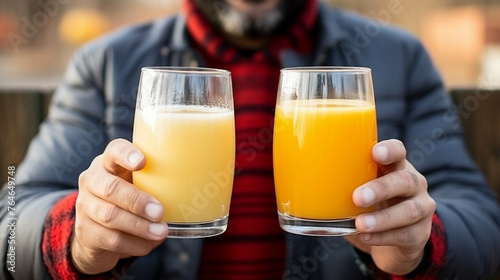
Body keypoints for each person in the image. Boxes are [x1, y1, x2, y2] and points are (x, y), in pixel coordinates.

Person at [1, 0, 500, 279]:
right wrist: (75, 237)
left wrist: (421, 242)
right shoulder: (107, 65)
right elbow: (8, 229)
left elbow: (483, 224)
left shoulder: (399, 58)